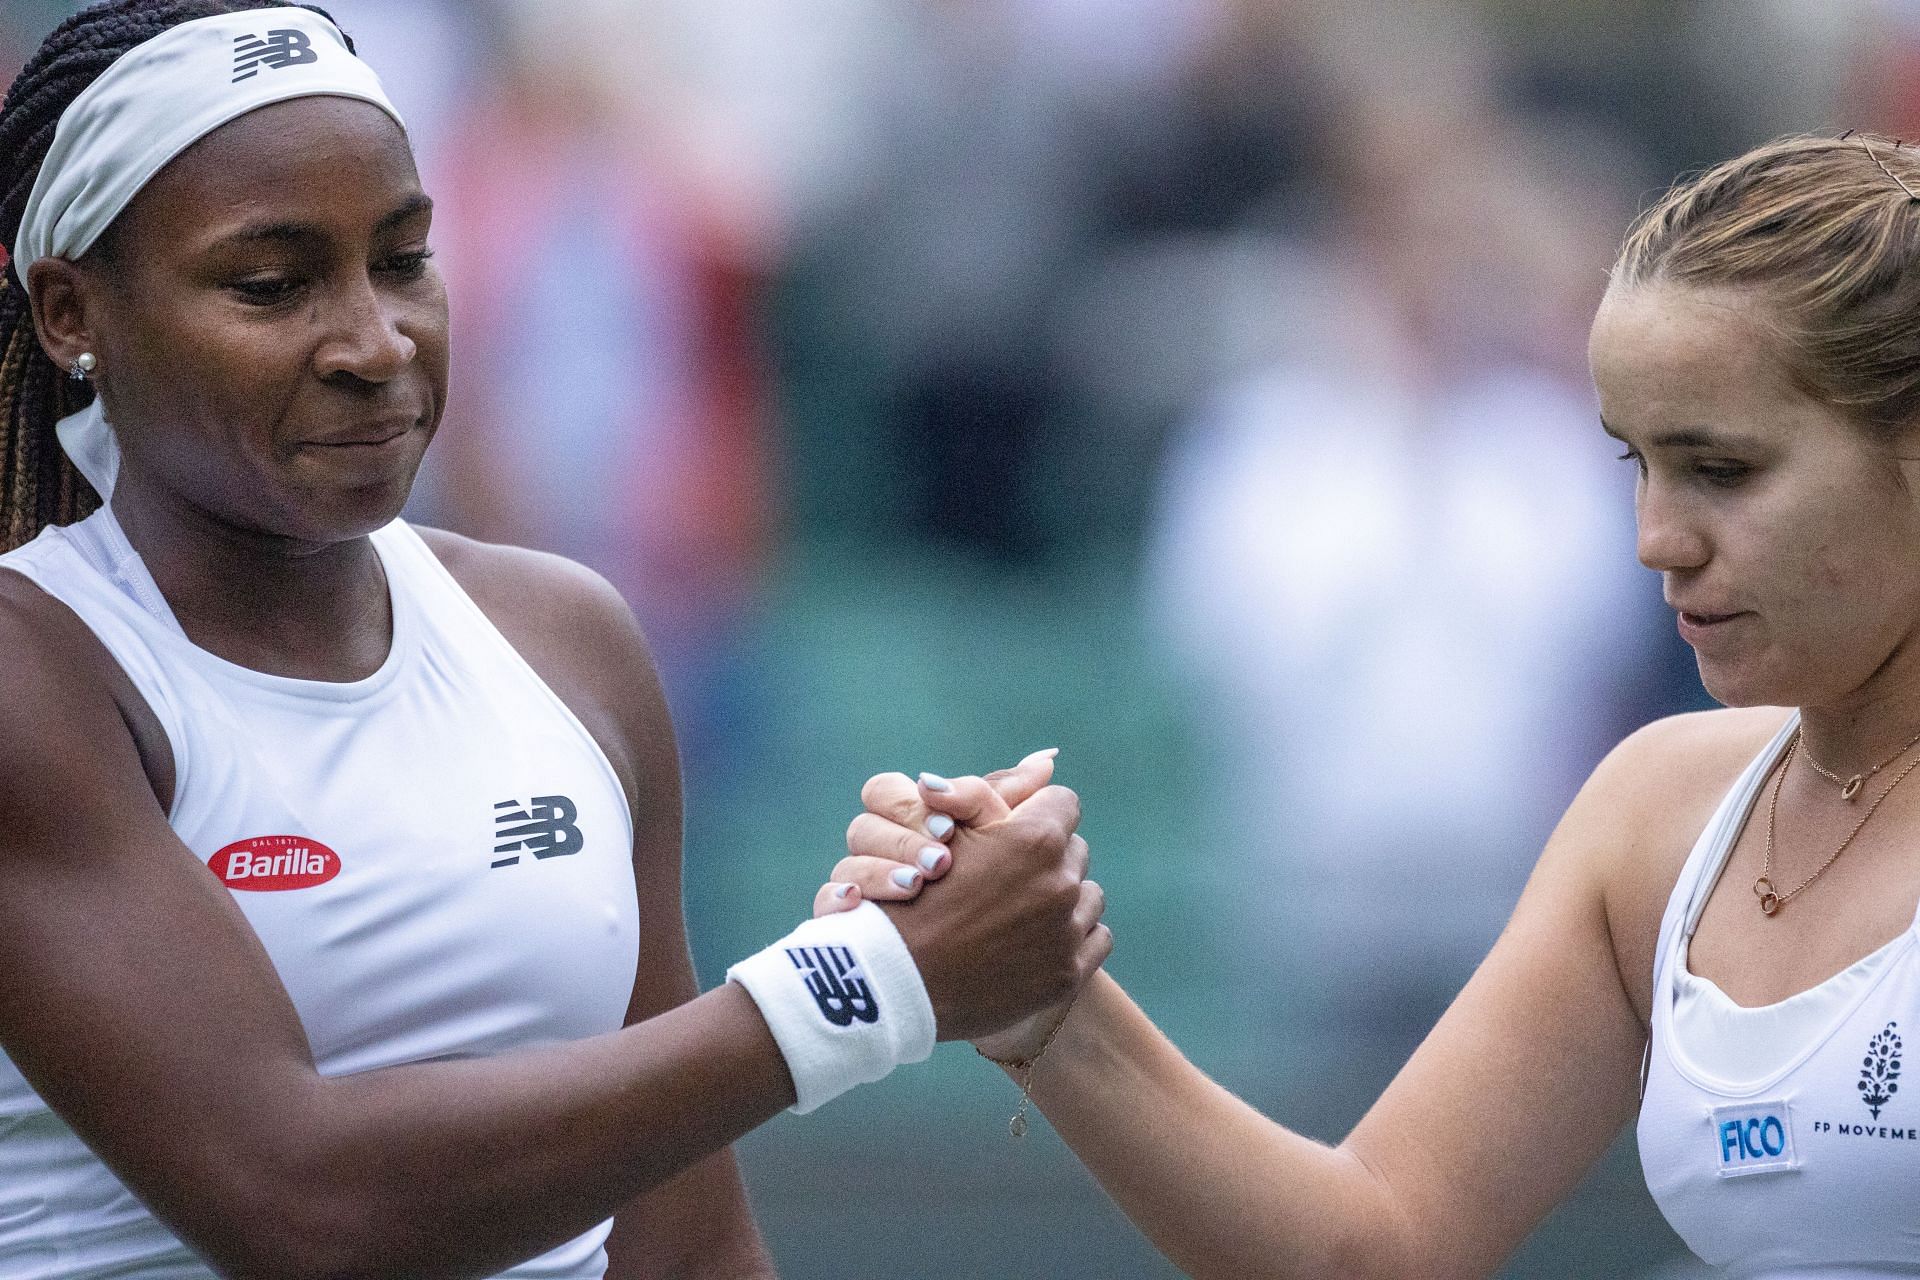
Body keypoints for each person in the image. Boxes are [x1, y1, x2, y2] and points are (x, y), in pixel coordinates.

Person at [0, 4, 1107, 1278]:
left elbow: (687, 1248)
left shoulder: (563, 636)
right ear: (72, 312)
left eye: (404, 259)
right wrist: (861, 987)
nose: (375, 342)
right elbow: (303, 1202)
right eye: (272, 284)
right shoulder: (37, 671)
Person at [835, 131, 1920, 1277]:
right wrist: (1044, 1001)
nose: (1656, 537)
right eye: (1636, 464)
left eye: (1725, 469)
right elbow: (1372, 1249)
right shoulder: (1657, 812)